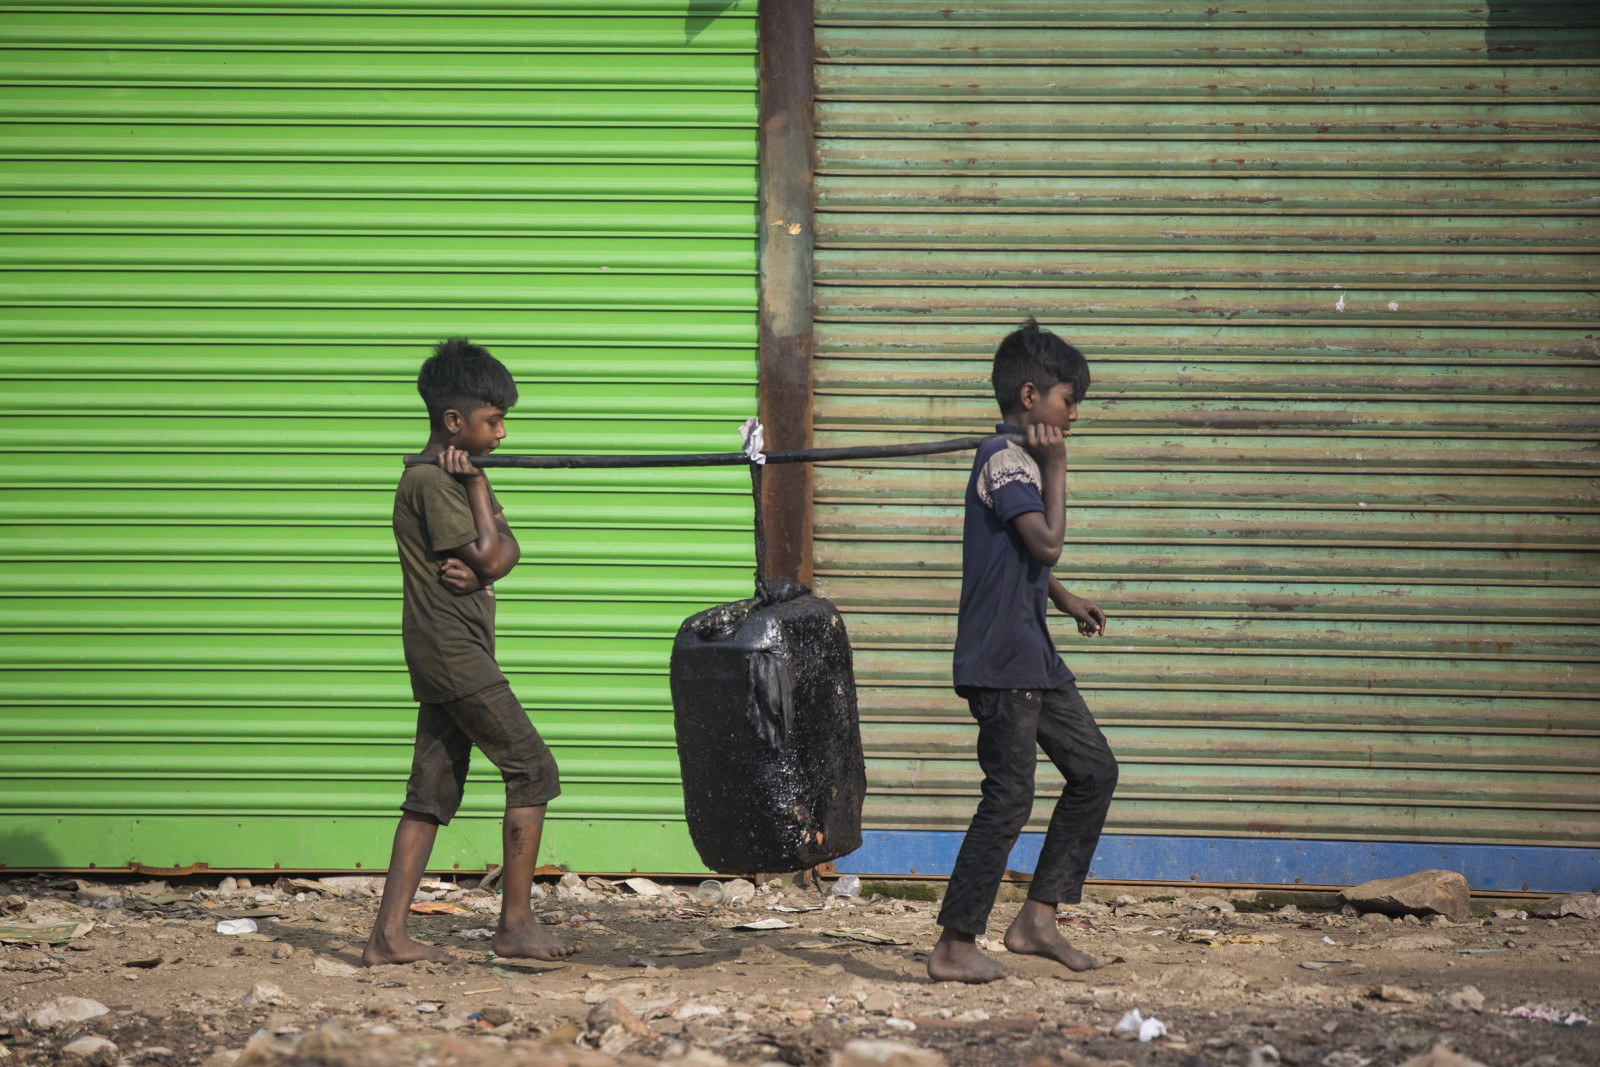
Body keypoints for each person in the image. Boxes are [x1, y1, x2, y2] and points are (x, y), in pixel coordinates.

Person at [363, 338, 582, 966]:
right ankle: (515, 928)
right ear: (454, 423)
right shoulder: (436, 482)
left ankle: (387, 939)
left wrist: (488, 564)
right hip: (454, 652)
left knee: (429, 795)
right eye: (494, 421)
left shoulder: (450, 478)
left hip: (445, 651)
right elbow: (492, 553)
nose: (504, 434)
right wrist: (483, 506)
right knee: (533, 770)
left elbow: (505, 554)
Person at [928, 319, 1119, 984]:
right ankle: (955, 942)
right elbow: (1045, 542)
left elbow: (1029, 556)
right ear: (1032, 396)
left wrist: (1061, 598)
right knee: (1009, 796)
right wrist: (1058, 465)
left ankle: (1038, 917)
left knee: (1094, 770)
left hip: (1030, 652)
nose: (1074, 416)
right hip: (1000, 658)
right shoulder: (1006, 459)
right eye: (1071, 402)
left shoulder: (1015, 459)